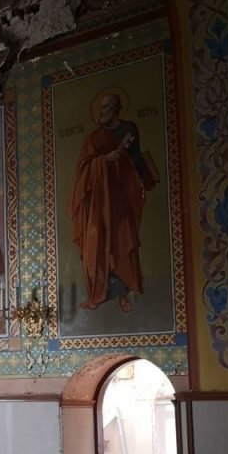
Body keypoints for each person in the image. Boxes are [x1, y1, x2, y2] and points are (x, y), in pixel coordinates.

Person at [68, 92, 156, 312]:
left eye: (105, 108)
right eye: (100, 108)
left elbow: (135, 159)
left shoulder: (129, 129)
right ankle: (102, 290)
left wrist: (144, 175)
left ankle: (128, 290)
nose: (101, 112)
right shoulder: (93, 138)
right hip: (98, 204)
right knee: (97, 243)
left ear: (116, 109)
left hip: (120, 199)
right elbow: (82, 171)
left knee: (124, 241)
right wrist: (103, 161)